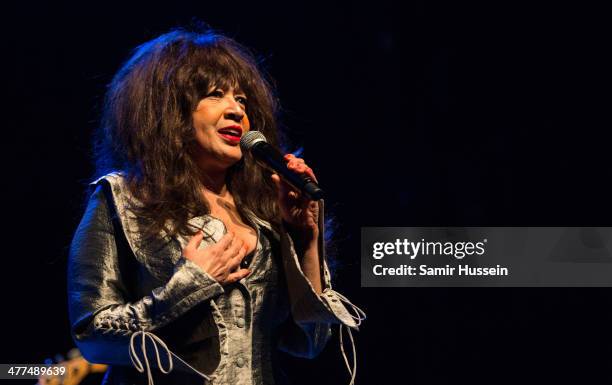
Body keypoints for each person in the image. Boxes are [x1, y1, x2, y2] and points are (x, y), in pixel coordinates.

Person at [68, 27, 365, 385]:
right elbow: (92, 335)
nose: (236, 111)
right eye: (215, 95)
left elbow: (309, 342)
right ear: (172, 112)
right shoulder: (123, 199)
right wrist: (190, 283)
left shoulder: (263, 216)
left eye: (242, 100)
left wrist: (305, 238)